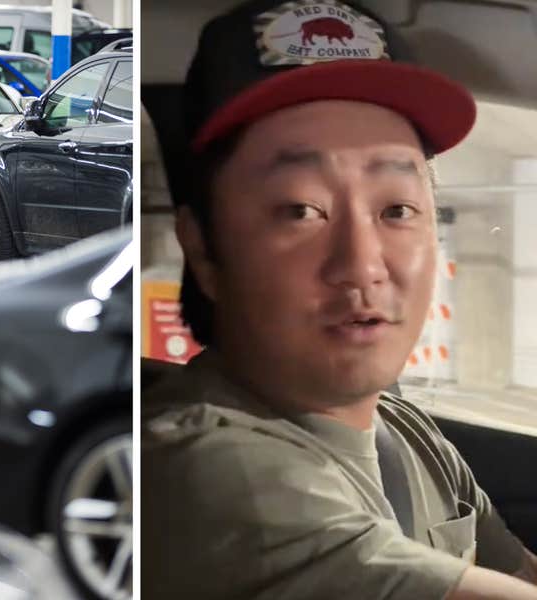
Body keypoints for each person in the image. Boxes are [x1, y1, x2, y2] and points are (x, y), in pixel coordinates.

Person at [142, 0, 537, 598]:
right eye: (301, 210)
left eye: (397, 209)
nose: (362, 265)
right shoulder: (202, 471)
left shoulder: (407, 430)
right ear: (202, 249)